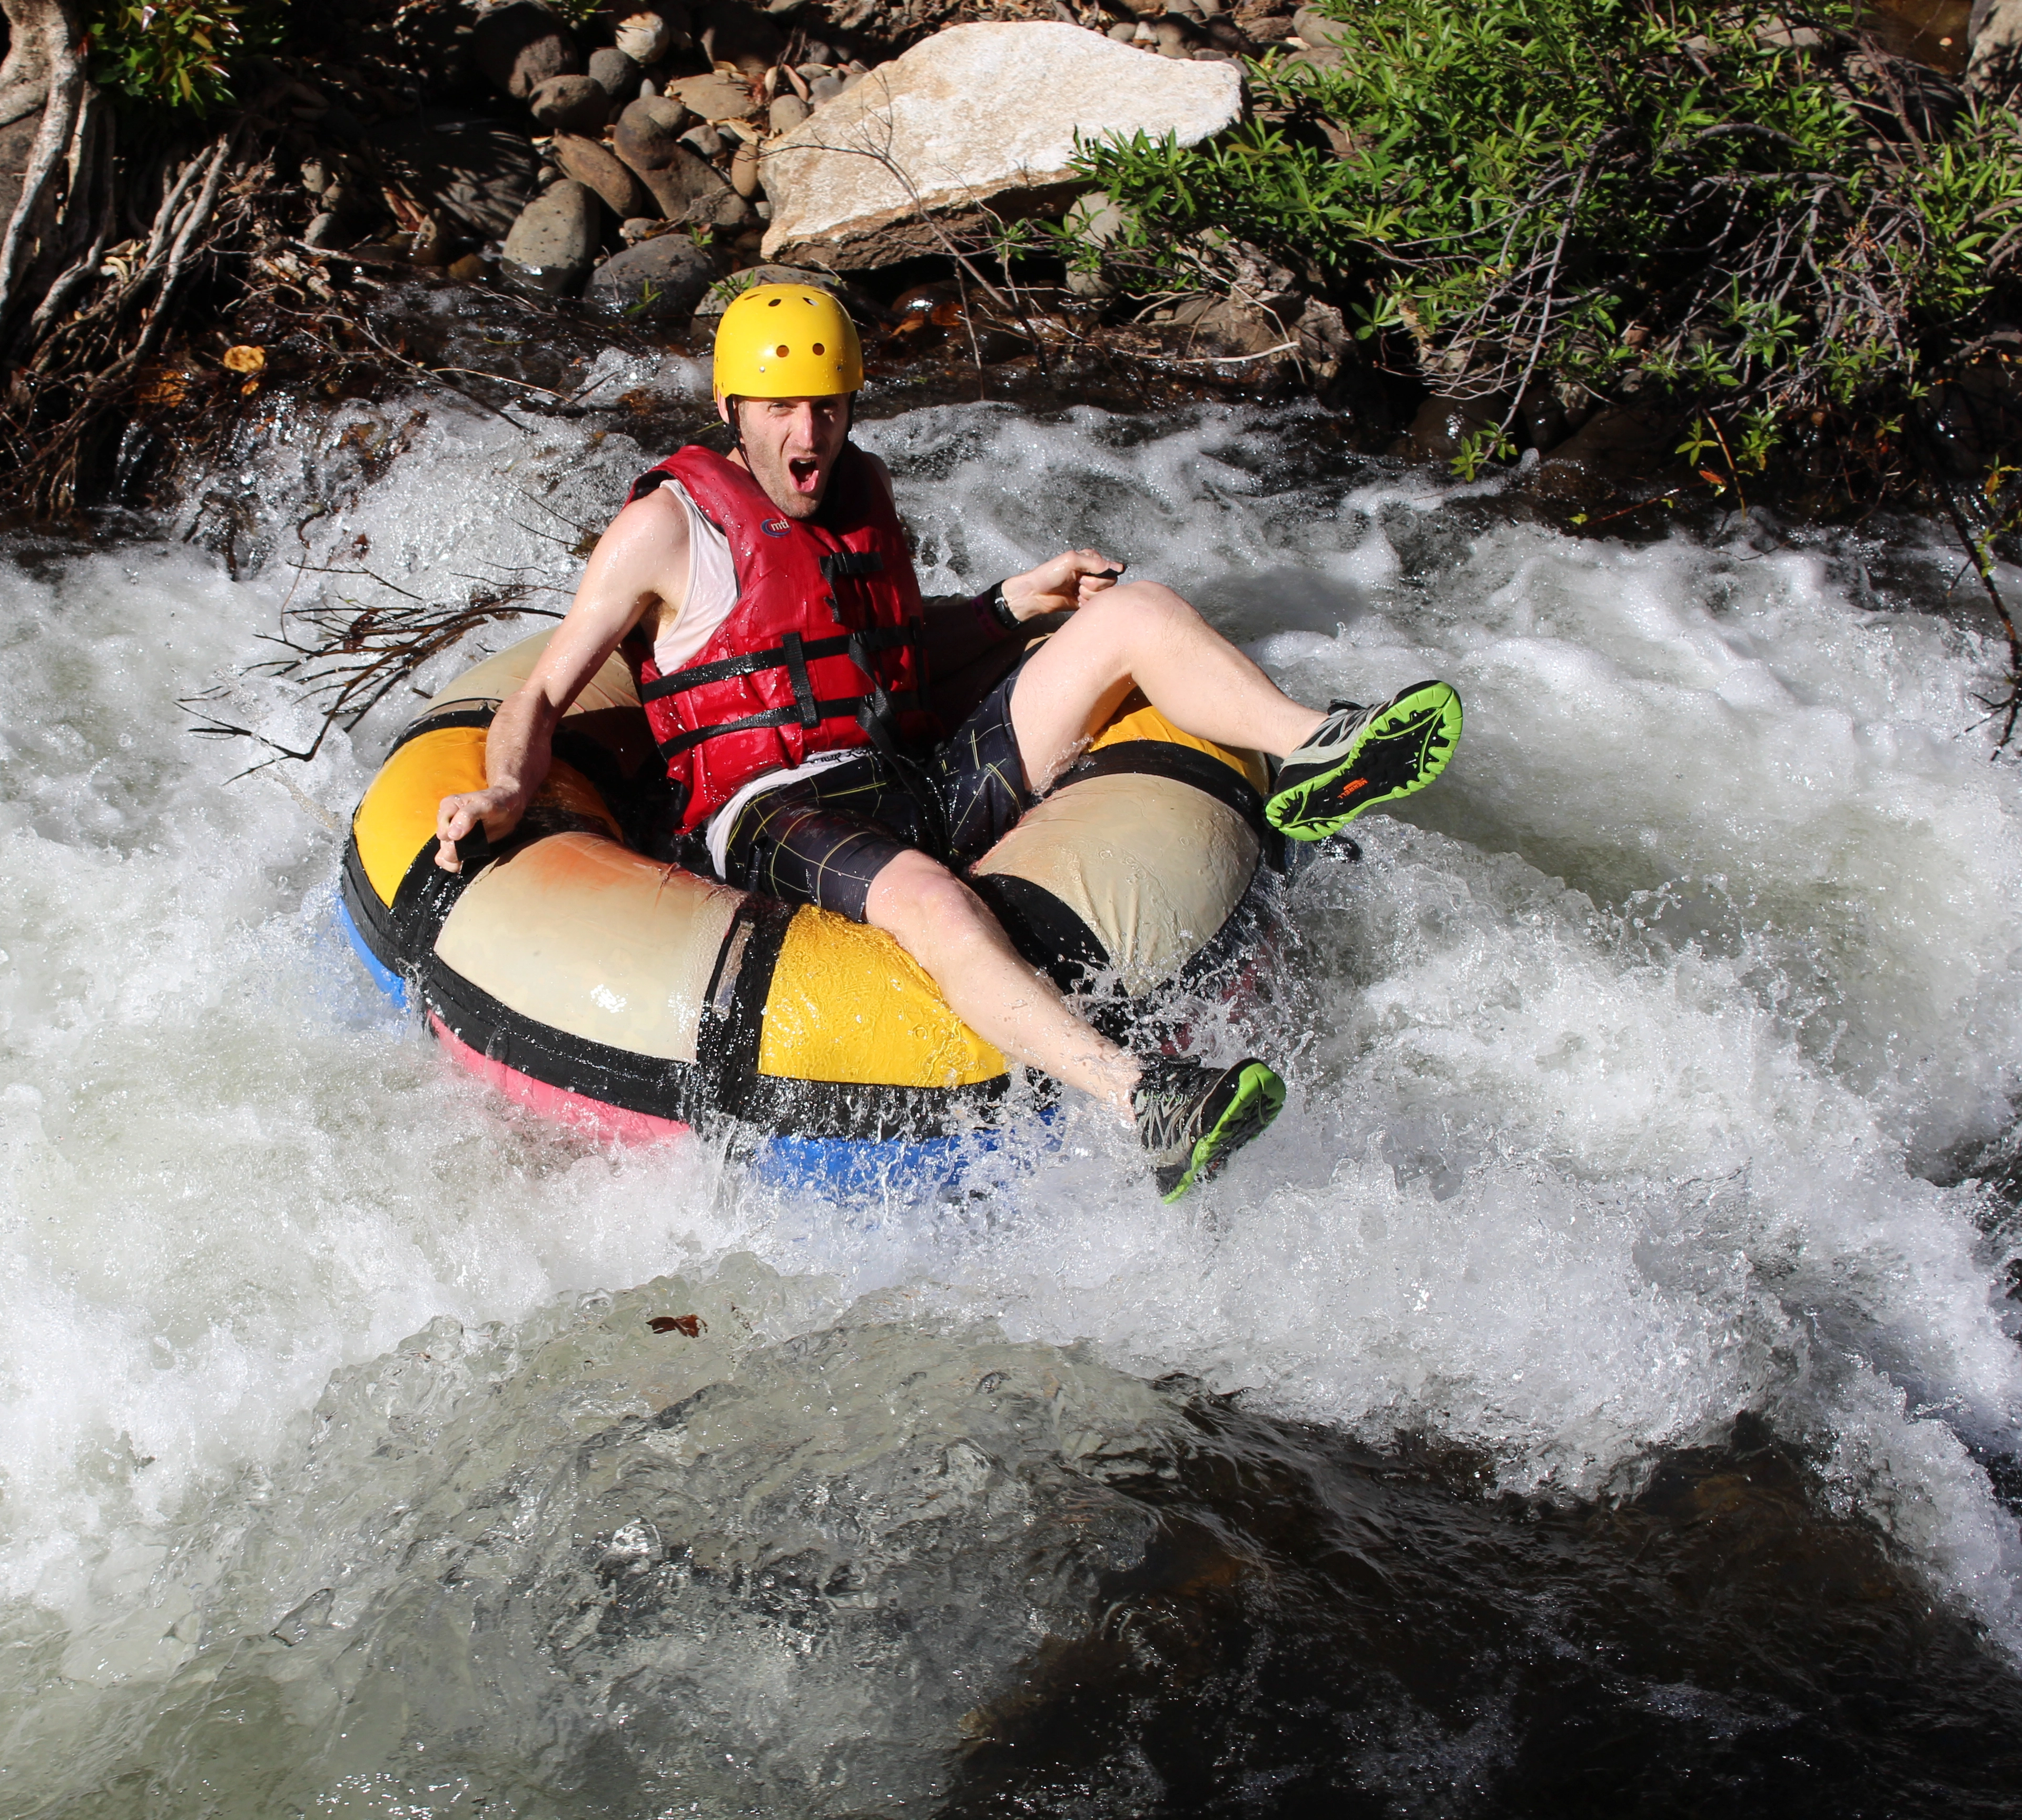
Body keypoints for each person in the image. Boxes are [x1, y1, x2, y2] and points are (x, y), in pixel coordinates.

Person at [433, 285, 1461, 1198]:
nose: (809, 432)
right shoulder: (667, 529)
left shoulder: (861, 496)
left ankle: (1321, 754)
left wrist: (1022, 601)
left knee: (1133, 614)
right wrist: (506, 794)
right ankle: (1142, 1100)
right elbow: (545, 691)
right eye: (782, 408)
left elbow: (886, 659)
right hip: (773, 815)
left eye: (827, 407)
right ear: (732, 410)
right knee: (935, 900)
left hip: (903, 778)